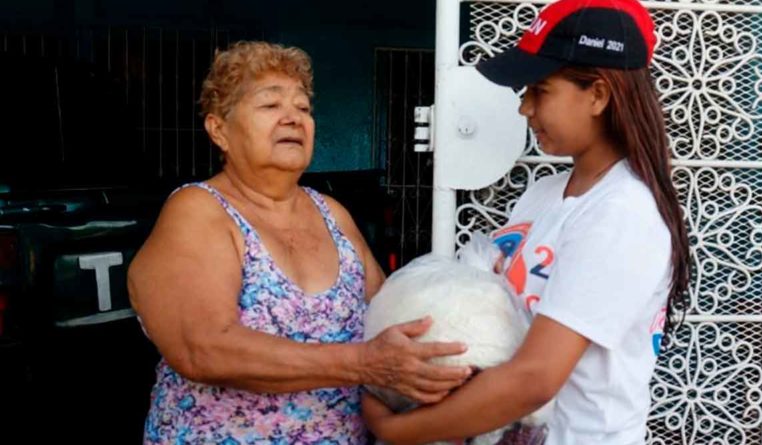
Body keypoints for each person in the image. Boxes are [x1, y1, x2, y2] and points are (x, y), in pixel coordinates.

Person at [363, 0, 691, 444]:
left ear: (597, 95)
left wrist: (398, 429)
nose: (524, 109)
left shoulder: (623, 214)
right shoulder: (544, 195)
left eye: (540, 90)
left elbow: (536, 378)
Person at [127, 41, 472, 444]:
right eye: (270, 106)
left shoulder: (331, 212)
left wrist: (471, 301)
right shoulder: (199, 210)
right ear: (218, 129)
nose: (293, 118)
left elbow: (390, 314)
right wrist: (362, 363)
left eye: (303, 108)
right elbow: (202, 349)